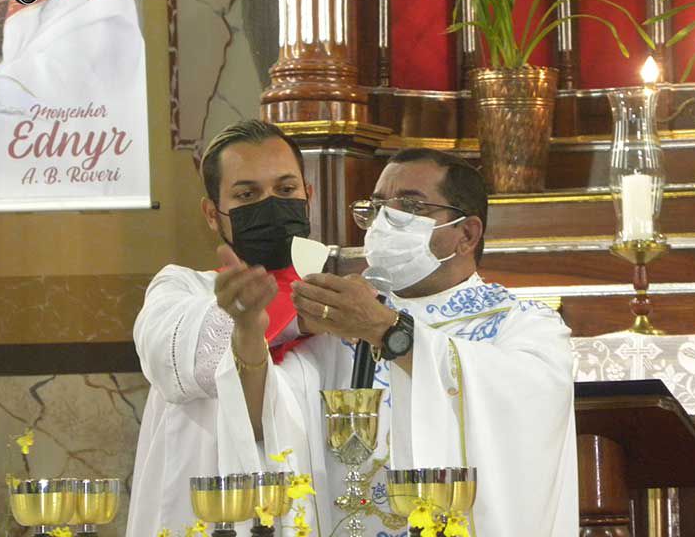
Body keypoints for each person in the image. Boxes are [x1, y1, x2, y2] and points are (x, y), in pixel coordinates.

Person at [127, 120, 578, 536]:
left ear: (467, 234)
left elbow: (529, 401)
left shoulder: (524, 324)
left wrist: (392, 333)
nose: (386, 220)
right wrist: (248, 330)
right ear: (212, 212)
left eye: (410, 206)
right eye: (377, 206)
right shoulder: (338, 324)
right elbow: (268, 418)